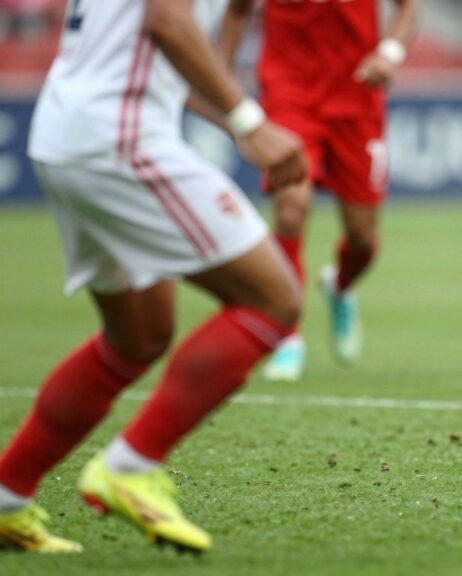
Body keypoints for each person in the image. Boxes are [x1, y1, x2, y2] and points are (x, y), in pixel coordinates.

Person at [0, 0, 308, 553]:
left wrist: (242, 121)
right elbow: (166, 19)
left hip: (68, 134)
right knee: (273, 300)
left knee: (136, 338)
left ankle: (5, 496)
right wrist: (251, 123)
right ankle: (130, 467)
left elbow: (179, 58)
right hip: (119, 137)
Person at [221, 0, 419, 382]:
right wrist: (223, 77)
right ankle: (286, 333)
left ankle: (340, 286)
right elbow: (238, 10)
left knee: (362, 239)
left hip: (358, 95)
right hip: (289, 93)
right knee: (291, 208)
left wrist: (389, 53)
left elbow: (408, 7)